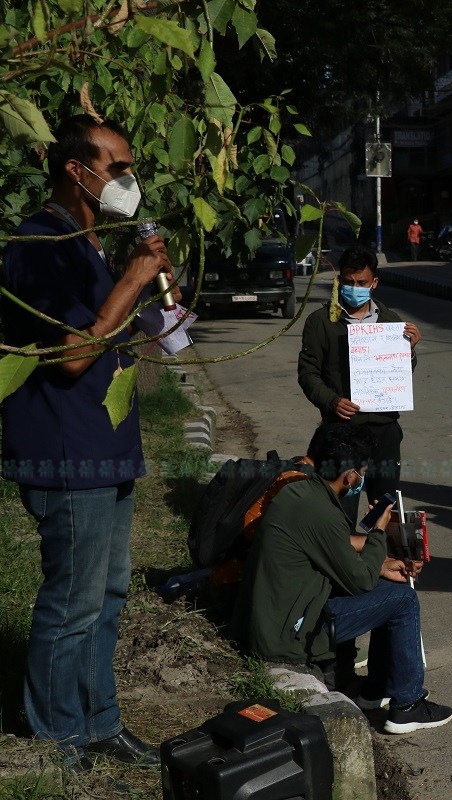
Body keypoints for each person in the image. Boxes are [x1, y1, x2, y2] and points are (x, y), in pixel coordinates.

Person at [0, 114, 177, 768]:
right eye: (117, 168)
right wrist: (132, 280)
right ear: (77, 171)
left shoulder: (92, 242)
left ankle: (99, 721)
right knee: (72, 602)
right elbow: (72, 357)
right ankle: (56, 740)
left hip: (108, 451)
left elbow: (117, 334)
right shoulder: (38, 245)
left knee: (106, 596)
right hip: (66, 454)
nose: (130, 180)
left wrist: (152, 291)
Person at [232, 422, 452, 733]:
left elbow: (334, 550)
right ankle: (407, 706)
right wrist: (379, 533)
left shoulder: (299, 492)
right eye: (362, 472)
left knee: (389, 586)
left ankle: (376, 689)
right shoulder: (321, 510)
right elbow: (359, 581)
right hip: (289, 636)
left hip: (278, 617)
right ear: (349, 475)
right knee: (403, 599)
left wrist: (382, 565)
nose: (362, 479)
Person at [298, 246, 422, 519]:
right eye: (348, 282)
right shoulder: (320, 322)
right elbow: (308, 374)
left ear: (374, 283)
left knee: (385, 509)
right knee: (339, 512)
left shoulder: (391, 322)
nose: (355, 288)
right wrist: (333, 401)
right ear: (339, 280)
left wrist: (409, 350)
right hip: (341, 431)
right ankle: (343, 546)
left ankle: (380, 547)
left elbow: (400, 374)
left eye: (362, 283)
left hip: (384, 431)